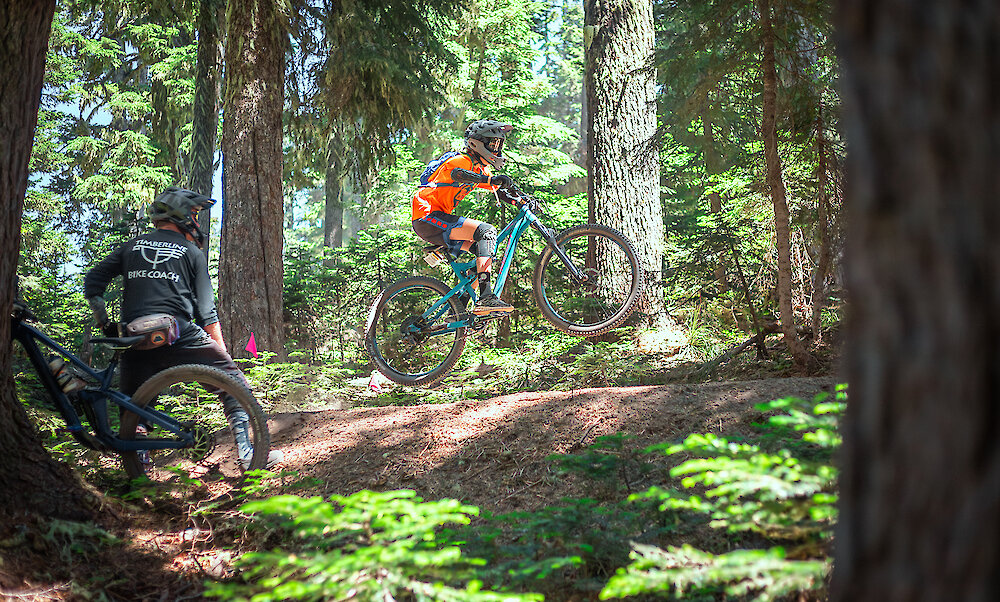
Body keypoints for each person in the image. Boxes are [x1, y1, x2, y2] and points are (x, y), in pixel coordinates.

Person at [83, 186, 283, 469]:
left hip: (134, 336)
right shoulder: (191, 251)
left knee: (133, 410)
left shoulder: (131, 247)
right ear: (182, 215)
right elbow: (206, 311)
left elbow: (94, 281)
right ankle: (248, 454)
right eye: (194, 214)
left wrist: (105, 323)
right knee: (233, 384)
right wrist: (222, 356)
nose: (197, 221)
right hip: (179, 332)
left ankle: (139, 471)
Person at [411, 119, 520, 315]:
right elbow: (458, 174)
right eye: (493, 143)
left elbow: (496, 188)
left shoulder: (479, 169)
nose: (496, 149)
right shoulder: (461, 161)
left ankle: (459, 307)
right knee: (486, 231)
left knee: (484, 252)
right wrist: (489, 179)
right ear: (476, 143)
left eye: (498, 144)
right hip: (427, 216)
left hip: (437, 220)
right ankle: (486, 297)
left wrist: (520, 200)